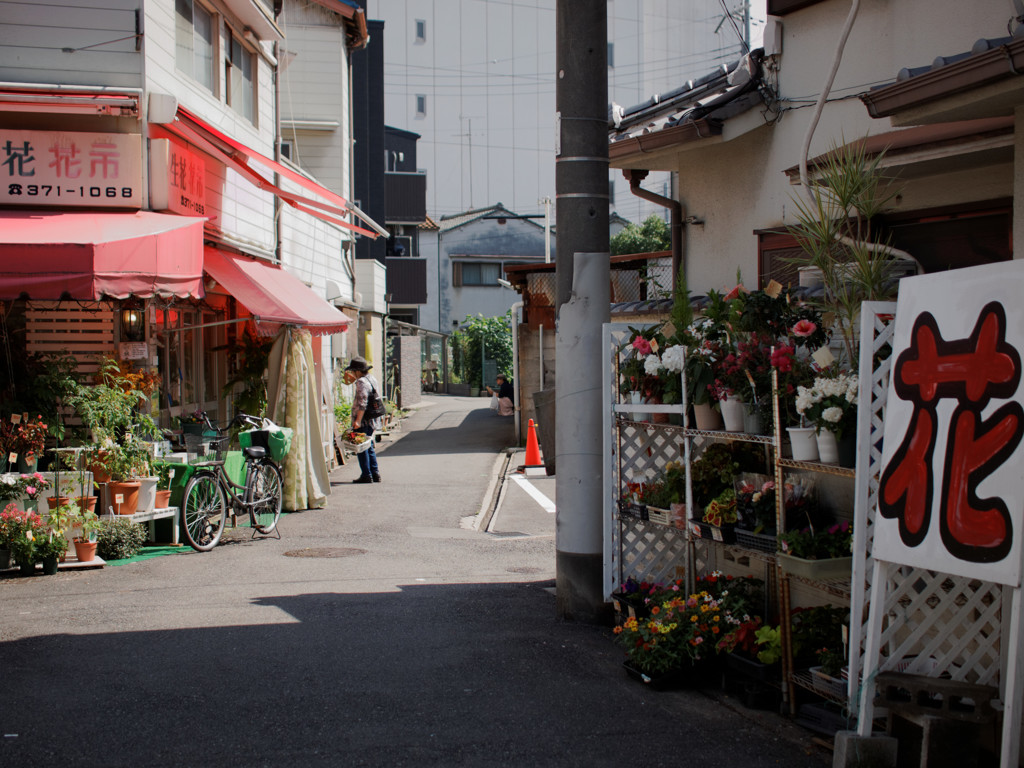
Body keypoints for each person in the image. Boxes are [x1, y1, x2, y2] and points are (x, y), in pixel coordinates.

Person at [344, 356, 382, 483]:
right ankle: (375, 473)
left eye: (353, 371)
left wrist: (357, 420)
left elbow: (362, 403)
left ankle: (366, 474)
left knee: (361, 446)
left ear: (358, 371)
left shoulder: (361, 382)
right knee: (368, 445)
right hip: (372, 418)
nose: (352, 374)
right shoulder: (371, 379)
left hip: (364, 419)